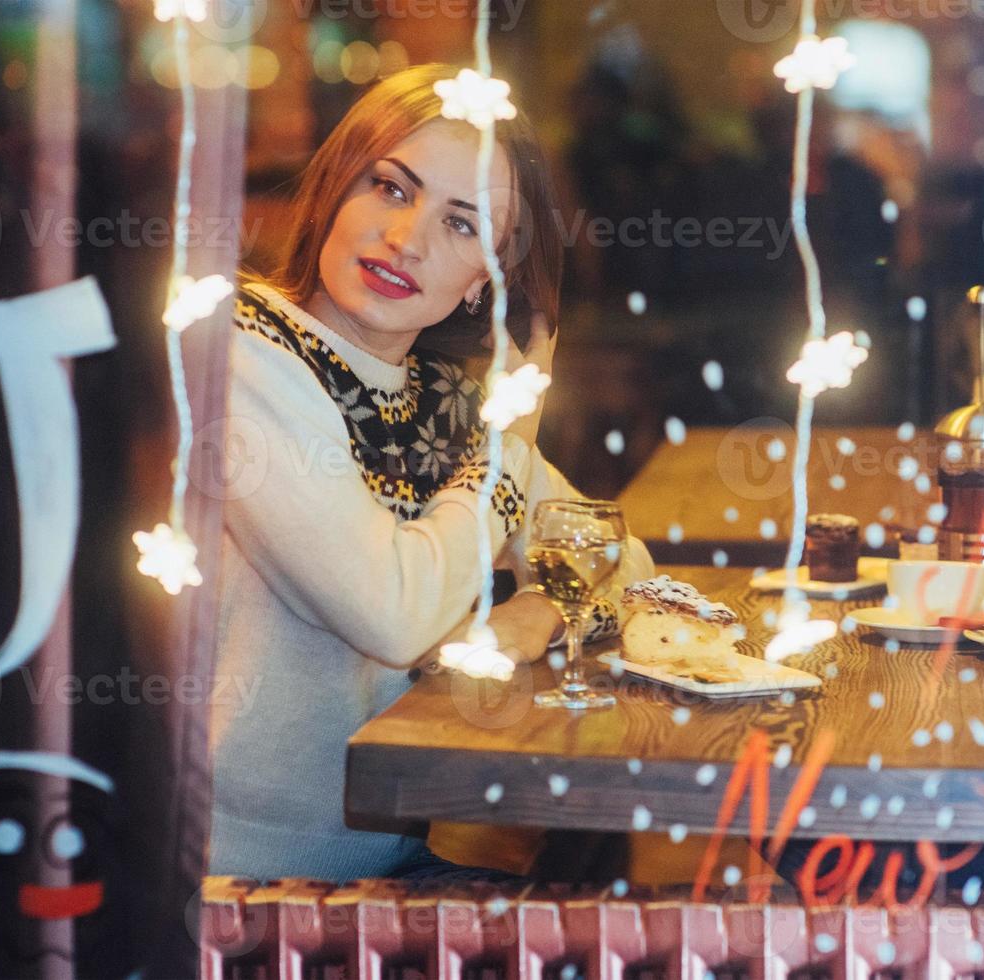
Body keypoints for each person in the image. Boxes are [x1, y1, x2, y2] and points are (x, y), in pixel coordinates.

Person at [207, 64, 656, 883]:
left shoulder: (441, 399)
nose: (406, 238)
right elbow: (394, 613)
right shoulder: (239, 350)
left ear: (484, 279)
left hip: (405, 849)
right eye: (389, 188)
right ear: (337, 187)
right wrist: (509, 445)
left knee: (612, 904)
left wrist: (537, 614)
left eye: (461, 226)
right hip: (242, 880)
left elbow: (620, 559)